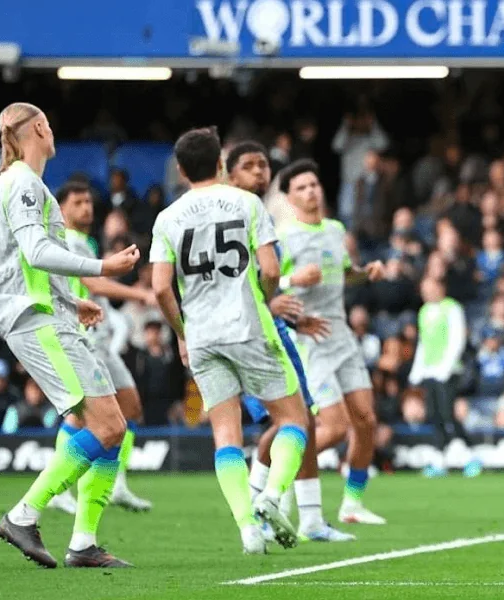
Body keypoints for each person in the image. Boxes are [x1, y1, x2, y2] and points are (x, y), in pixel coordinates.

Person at [0, 102, 140, 568]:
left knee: (111, 428)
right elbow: (35, 251)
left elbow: (28, 256)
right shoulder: (22, 184)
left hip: (48, 312)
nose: (53, 134)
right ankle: (23, 515)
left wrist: (74, 301)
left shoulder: (26, 185)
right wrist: (102, 267)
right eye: (49, 127)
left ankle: (83, 543)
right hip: (33, 317)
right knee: (108, 427)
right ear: (39, 128)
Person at [150, 127, 309, 554]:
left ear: (181, 170)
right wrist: (264, 300)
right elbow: (271, 270)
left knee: (225, 433)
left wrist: (182, 332)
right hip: (248, 327)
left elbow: (161, 288)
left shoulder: (167, 218)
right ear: (220, 163)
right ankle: (272, 497)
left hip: (202, 336)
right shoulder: (247, 203)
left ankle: (246, 528)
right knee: (294, 420)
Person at [225, 141, 354, 542]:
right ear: (230, 176)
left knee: (298, 420)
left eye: (263, 165)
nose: (260, 172)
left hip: (272, 328)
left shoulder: (258, 215)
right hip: (245, 332)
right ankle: (260, 502)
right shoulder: (242, 217)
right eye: (250, 166)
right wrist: (286, 287)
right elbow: (247, 278)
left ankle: (301, 514)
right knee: (289, 420)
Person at [275, 159, 387, 525]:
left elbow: (343, 276)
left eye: (314, 184)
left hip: (342, 335)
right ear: (290, 198)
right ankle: (278, 478)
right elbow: (264, 287)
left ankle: (352, 505)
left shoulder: (336, 229)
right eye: (301, 188)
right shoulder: (283, 237)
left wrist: (364, 274)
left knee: (366, 421)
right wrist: (292, 281)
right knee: (334, 427)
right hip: (310, 338)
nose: (310, 191)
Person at [45, 180, 155, 516]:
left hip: (101, 339)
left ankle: (118, 484)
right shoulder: (69, 241)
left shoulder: (86, 242)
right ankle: (58, 488)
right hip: (83, 338)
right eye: (77, 202)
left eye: (89, 201)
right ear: (61, 209)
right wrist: (141, 294)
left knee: (131, 407)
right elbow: (94, 283)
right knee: (83, 416)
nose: (86, 208)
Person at [408, 276, 481, 478]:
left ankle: (469, 456)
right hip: (431, 371)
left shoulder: (452, 308)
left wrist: (445, 367)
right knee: (435, 415)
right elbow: (423, 344)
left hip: (448, 372)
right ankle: (439, 460)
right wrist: (417, 370)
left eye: (430, 288)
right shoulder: (423, 312)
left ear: (440, 288)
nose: (426, 293)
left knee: (448, 414)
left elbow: (457, 339)